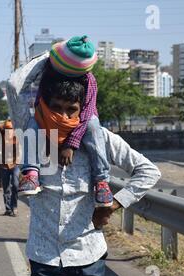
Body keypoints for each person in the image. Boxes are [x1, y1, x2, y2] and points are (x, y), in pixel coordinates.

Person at [6, 50, 161, 276]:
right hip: (44, 257)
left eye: (71, 110)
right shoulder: (30, 130)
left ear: (82, 111)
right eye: (55, 108)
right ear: (43, 104)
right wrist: (54, 57)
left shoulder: (100, 138)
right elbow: (14, 86)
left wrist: (114, 204)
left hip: (88, 255)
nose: (63, 116)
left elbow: (149, 171)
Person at [17, 36, 113, 208]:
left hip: (83, 120)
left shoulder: (89, 81)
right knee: (33, 124)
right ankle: (30, 173)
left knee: (93, 125)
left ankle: (102, 182)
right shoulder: (48, 72)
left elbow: (86, 113)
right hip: (46, 117)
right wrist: (44, 59)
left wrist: (71, 143)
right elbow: (35, 97)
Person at [0, 120, 20, 216]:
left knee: (15, 185)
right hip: (4, 165)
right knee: (6, 188)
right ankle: (8, 208)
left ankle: (14, 207)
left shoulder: (17, 137)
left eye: (10, 129)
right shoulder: (1, 136)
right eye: (7, 129)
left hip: (15, 165)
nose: (9, 131)